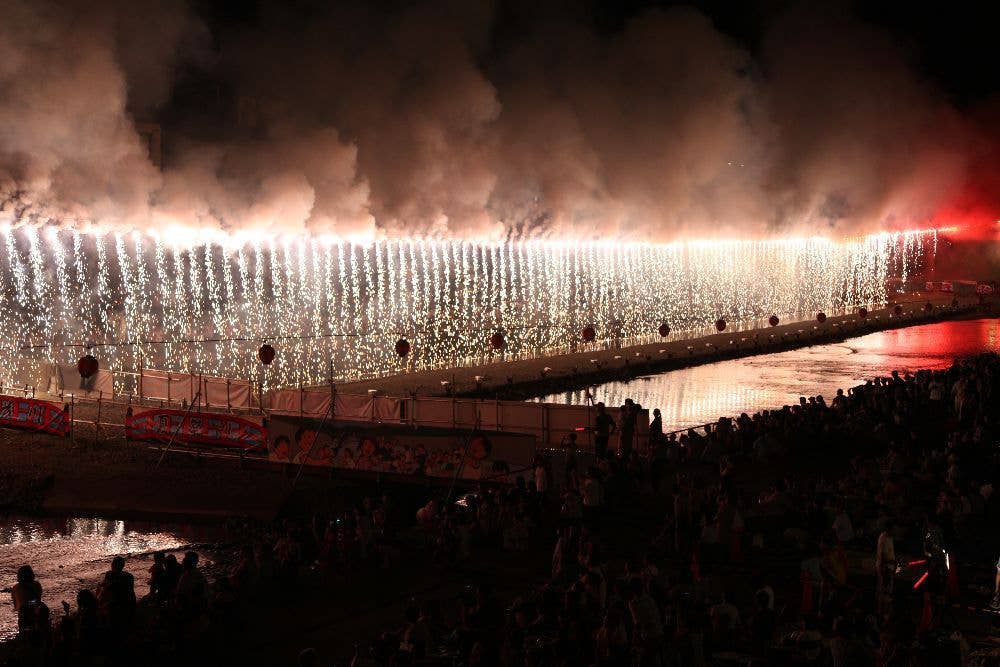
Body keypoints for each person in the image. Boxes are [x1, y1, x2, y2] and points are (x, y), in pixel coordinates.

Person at [98, 556, 136, 635]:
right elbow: (132, 593)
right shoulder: (129, 576)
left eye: (112, 563)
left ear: (113, 565)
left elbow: (105, 588)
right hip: (129, 603)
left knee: (101, 594)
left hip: (117, 604)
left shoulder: (110, 574)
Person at [11, 565, 43, 633]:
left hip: (23, 613)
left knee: (25, 632)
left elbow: (16, 605)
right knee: (34, 631)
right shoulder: (36, 584)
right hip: (33, 612)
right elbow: (38, 599)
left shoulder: (15, 587)